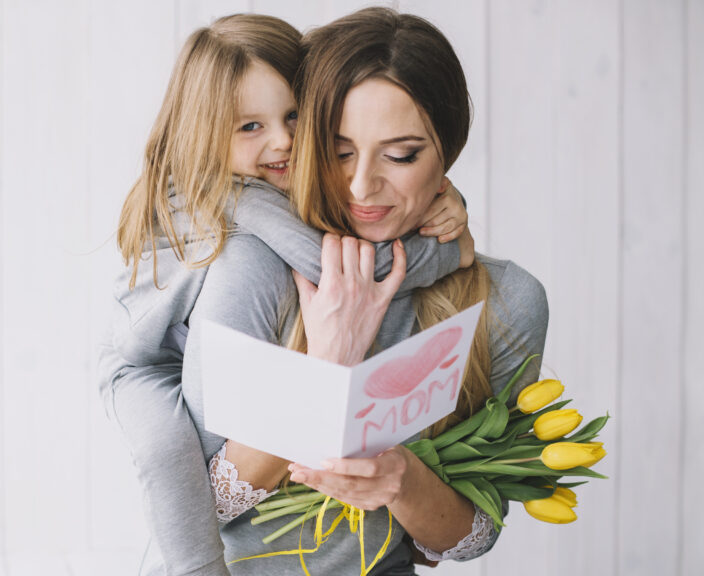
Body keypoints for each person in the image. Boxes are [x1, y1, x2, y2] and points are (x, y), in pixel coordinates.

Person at [98, 13, 473, 576]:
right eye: (250, 126)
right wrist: (452, 248)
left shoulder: (261, 189)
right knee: (167, 457)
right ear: (206, 134)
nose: (284, 140)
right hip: (139, 366)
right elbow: (342, 272)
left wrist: (443, 193)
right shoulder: (244, 203)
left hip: (166, 351)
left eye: (294, 115)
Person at [177, 7, 549, 574]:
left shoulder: (506, 303)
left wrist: (402, 482)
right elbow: (197, 508)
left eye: (401, 155)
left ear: (446, 153)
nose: (361, 185)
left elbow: (470, 537)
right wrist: (324, 371)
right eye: (339, 149)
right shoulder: (250, 268)